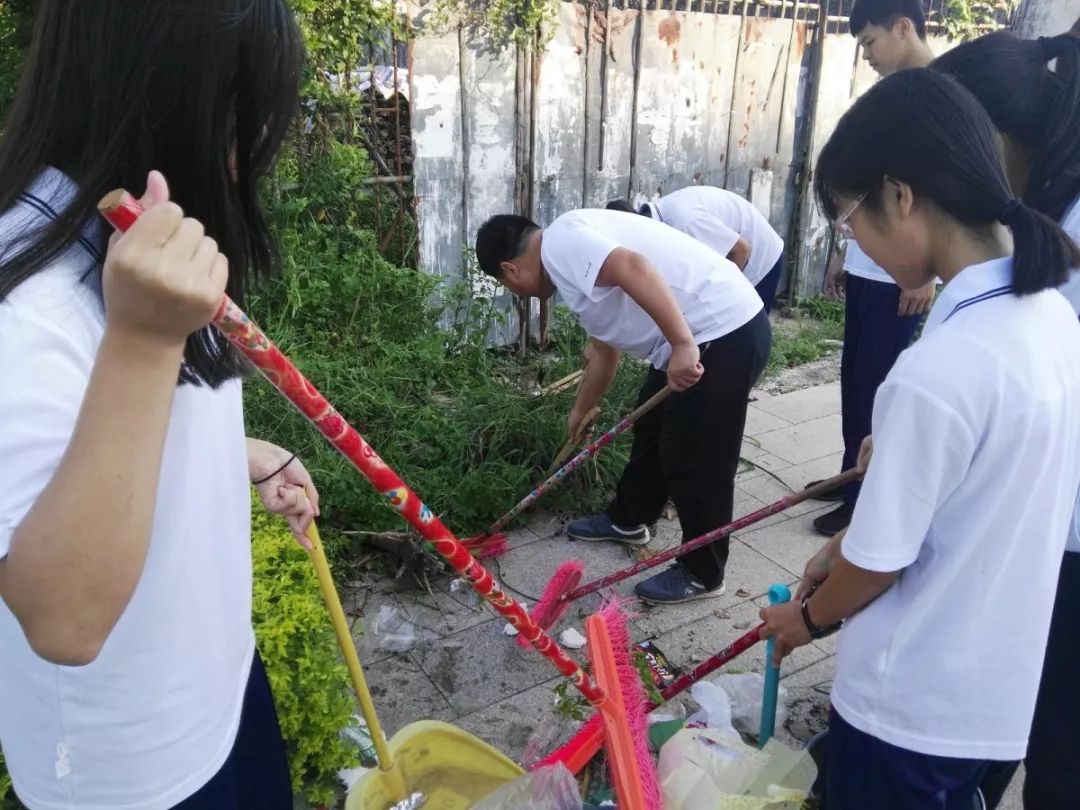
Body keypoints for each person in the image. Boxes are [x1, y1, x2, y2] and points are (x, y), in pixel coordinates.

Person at [0, 3, 312, 809]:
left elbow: (113, 432)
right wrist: (141, 340)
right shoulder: (23, 298)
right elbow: (62, 619)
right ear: (170, 100)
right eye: (240, 120)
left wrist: (239, 456)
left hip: (220, 687)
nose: (248, 159)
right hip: (131, 771)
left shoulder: (132, 239)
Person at [760, 68, 1080, 810]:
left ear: (900, 195)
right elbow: (980, 488)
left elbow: (879, 565)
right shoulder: (1050, 316)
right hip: (997, 695)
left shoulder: (938, 369)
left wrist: (803, 620)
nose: (855, 242)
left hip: (909, 705)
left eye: (850, 222)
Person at [474, 210, 771, 604]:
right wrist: (580, 411)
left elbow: (633, 266)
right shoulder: (569, 257)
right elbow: (603, 352)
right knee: (650, 424)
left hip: (723, 333)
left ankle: (703, 572)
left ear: (510, 270)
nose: (519, 293)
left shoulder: (561, 245)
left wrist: (683, 344)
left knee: (695, 457)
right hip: (700, 335)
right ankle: (629, 518)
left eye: (510, 286)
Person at [933, 30, 1080, 810]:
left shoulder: (1068, 224)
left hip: (1065, 524)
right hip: (1045, 512)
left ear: (994, 138)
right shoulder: (1044, 206)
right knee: (1018, 706)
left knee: (1058, 745)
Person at [809, 0, 938, 536]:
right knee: (854, 381)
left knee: (878, 388)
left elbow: (940, 193)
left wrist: (925, 274)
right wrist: (846, 252)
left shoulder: (940, 96)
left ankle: (868, 498)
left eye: (869, 43)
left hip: (901, 274)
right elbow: (868, 182)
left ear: (903, 27)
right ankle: (849, 480)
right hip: (869, 262)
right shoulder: (891, 94)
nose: (866, 57)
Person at [606, 186, 786, 312]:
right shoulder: (659, 221)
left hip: (760, 259)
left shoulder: (685, 222)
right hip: (735, 255)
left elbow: (742, 250)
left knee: (743, 335)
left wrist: (728, 296)